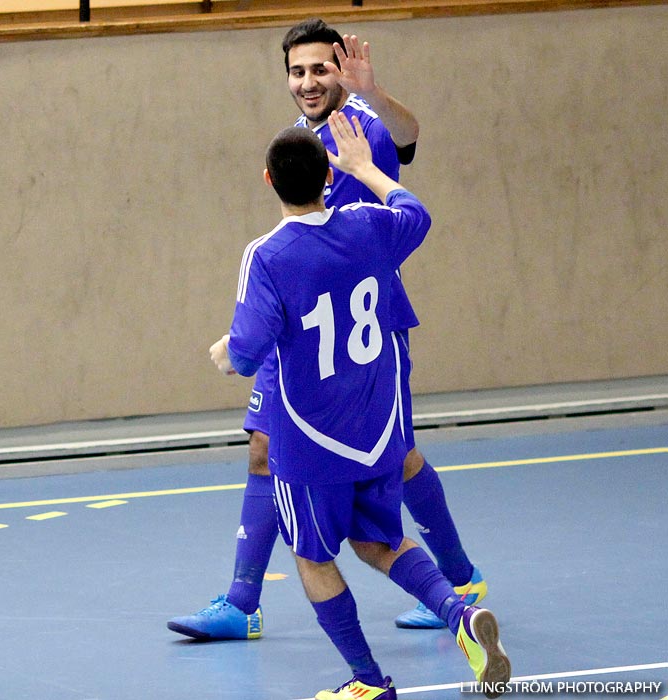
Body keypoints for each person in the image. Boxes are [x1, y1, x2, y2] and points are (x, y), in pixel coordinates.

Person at [167, 18, 484, 641]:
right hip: (308, 330)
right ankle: (241, 601)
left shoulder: (360, 125)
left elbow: (408, 137)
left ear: (343, 68)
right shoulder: (303, 137)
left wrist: (375, 92)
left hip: (365, 329)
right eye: (297, 71)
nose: (309, 81)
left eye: (321, 68)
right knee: (264, 446)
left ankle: (461, 580)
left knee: (398, 456)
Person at [208, 115, 511, 700]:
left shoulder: (266, 255)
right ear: (328, 175)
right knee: (380, 542)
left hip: (311, 440)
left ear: (267, 180)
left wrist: (226, 353)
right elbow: (417, 216)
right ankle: (459, 616)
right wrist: (367, 169)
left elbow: (246, 354)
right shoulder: (368, 225)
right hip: (375, 427)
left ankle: (371, 682)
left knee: (313, 557)